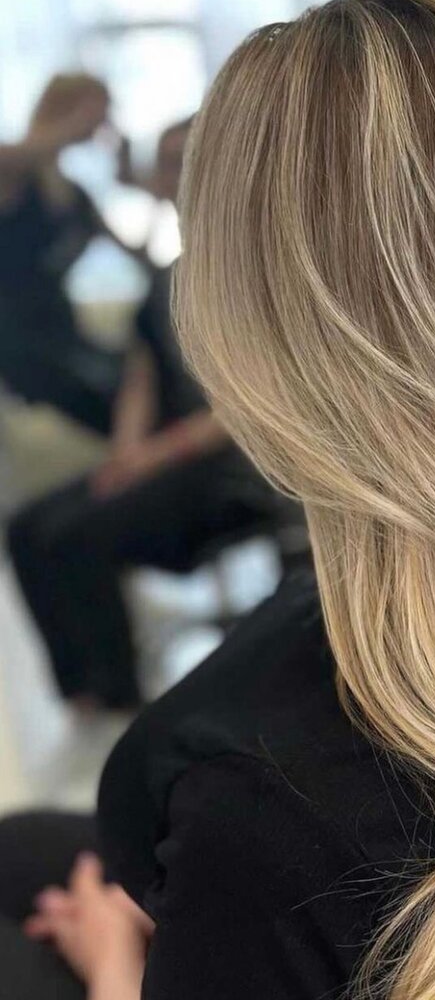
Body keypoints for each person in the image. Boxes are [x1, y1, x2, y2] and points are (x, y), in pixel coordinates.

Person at [0, 0, 435, 1000]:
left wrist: (114, 964)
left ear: (253, 332)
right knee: (21, 845)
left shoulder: (261, 805)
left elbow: (260, 874)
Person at [5, 119, 281, 712]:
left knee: (77, 536)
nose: (178, 174)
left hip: (235, 468)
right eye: (170, 162)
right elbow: (142, 373)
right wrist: (127, 454)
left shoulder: (256, 271)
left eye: (189, 160)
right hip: (166, 456)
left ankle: (119, 698)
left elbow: (253, 404)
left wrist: (155, 456)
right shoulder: (167, 276)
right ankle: (80, 692)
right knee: (27, 529)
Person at [0, 74, 134, 435]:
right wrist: (72, 125)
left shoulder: (73, 195)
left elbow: (137, 253)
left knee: (141, 378)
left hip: (65, 334)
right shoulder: (12, 175)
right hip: (18, 345)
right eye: (98, 111)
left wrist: (127, 173)